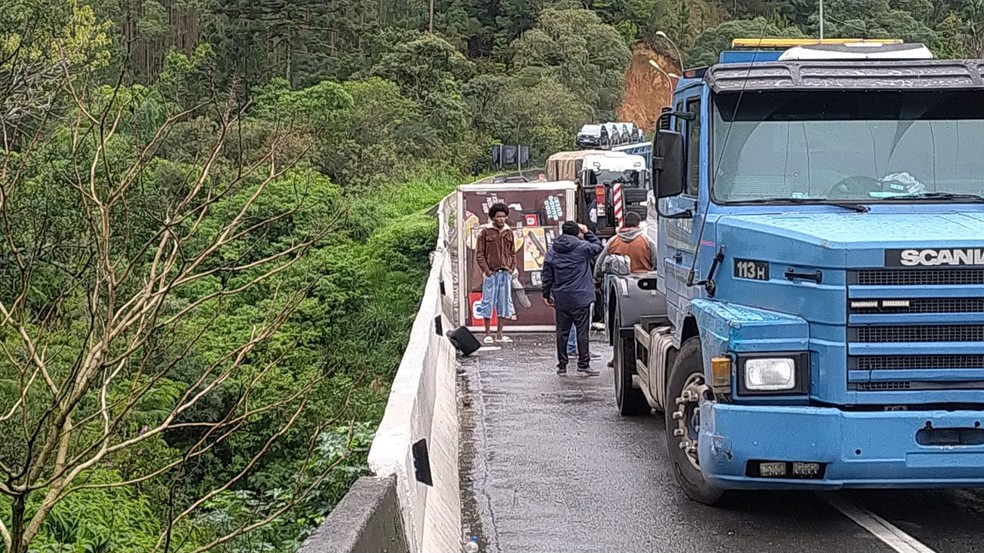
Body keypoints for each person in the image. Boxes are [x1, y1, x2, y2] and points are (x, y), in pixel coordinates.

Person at [593, 211, 657, 367]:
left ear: (624, 225)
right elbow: (656, 263)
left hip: (619, 289)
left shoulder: (613, 241)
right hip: (643, 288)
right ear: (637, 225)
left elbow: (600, 265)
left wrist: (597, 281)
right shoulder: (646, 241)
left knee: (618, 325)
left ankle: (616, 358)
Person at [542, 221, 603, 376]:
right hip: (581, 296)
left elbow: (547, 274)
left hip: (561, 297)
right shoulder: (582, 247)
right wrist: (588, 231)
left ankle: (562, 366)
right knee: (582, 332)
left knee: (562, 332)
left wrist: (546, 293)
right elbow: (598, 247)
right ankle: (583, 365)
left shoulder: (552, 250)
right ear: (577, 232)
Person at [475, 202, 516, 344]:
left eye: (504, 217)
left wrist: (511, 268)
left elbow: (512, 252)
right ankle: (487, 332)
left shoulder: (509, 232)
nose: (501, 219)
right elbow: (479, 253)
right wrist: (487, 271)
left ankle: (500, 333)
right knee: (487, 302)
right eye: (498, 217)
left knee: (504, 303)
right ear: (493, 217)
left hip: (505, 274)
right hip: (491, 273)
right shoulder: (485, 232)